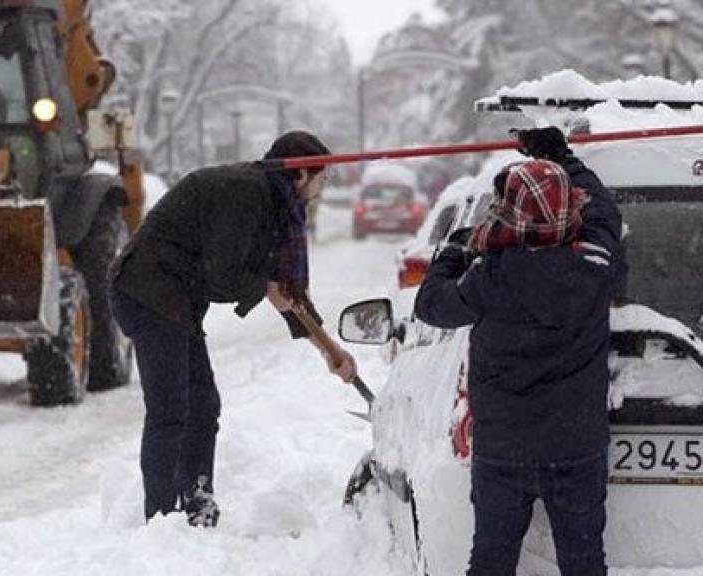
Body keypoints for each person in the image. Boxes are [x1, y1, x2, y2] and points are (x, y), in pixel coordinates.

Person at [109, 131, 358, 527]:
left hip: (176, 300)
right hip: (148, 291)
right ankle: (160, 519)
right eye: (322, 179)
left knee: (203, 405)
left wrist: (331, 352)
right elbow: (224, 276)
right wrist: (264, 285)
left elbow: (286, 292)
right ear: (300, 175)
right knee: (170, 411)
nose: (321, 191)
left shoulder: (274, 203)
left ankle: (197, 499)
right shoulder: (246, 194)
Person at [414, 127, 624, 576]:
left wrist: (453, 249)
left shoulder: (487, 278)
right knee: (585, 563)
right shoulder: (594, 267)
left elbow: (430, 306)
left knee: (491, 560)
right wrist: (562, 158)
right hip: (576, 446)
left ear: (510, 216)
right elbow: (602, 209)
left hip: (503, 451)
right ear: (570, 213)